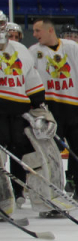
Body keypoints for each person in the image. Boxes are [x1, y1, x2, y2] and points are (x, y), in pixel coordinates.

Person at [30, 18, 78, 210]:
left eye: (37, 30)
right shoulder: (33, 52)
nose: (34, 34)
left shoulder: (73, 48)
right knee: (51, 151)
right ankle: (52, 188)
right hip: (49, 108)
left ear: (50, 30)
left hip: (74, 106)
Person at [0, 11, 51, 218]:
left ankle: (42, 200)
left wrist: (40, 108)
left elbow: (32, 80)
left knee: (31, 154)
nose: (2, 28)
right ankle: (3, 203)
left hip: (20, 113)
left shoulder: (20, 50)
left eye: (3, 23)